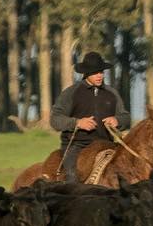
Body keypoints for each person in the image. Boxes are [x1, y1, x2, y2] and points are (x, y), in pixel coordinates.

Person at [50, 51, 131, 183]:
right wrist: (77, 123)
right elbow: (55, 119)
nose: (99, 76)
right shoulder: (71, 93)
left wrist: (117, 120)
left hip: (107, 145)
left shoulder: (112, 93)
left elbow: (126, 117)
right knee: (72, 177)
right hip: (77, 146)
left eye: (101, 72)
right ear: (86, 73)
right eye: (95, 73)